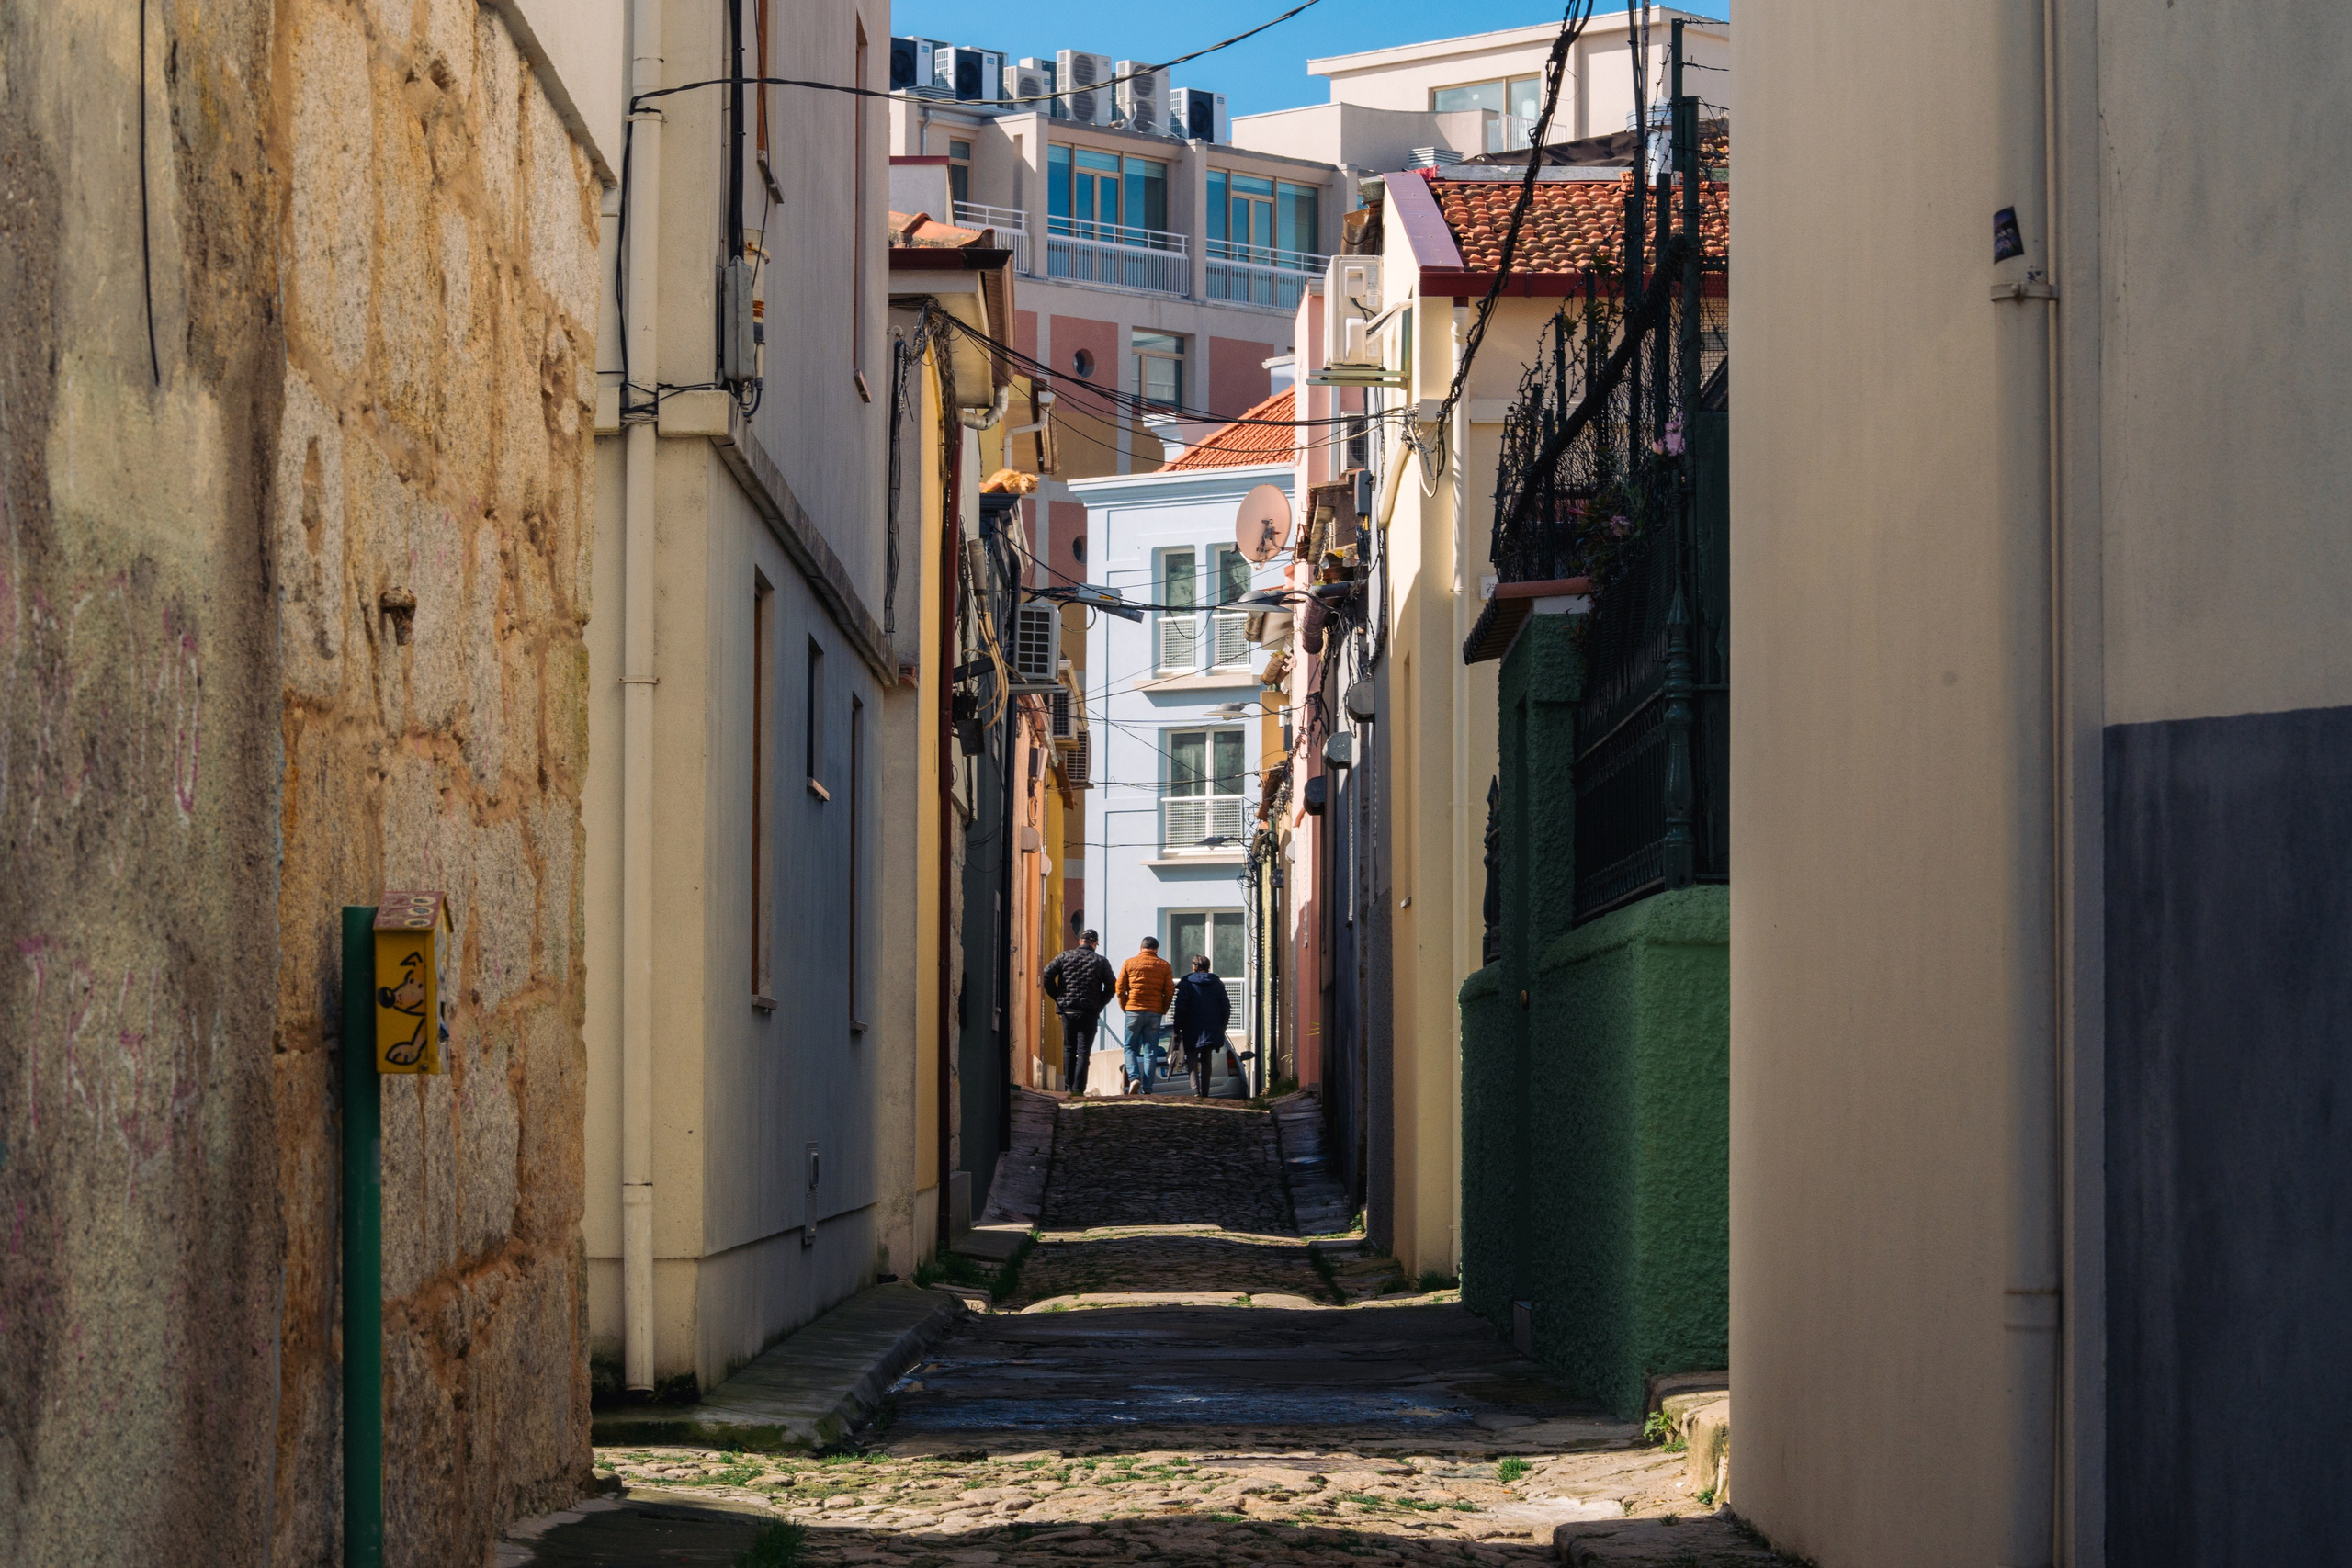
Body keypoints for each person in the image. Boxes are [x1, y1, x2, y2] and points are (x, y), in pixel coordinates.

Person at [1039, 929, 1115, 1096]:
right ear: (1094, 943)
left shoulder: (1064, 957)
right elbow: (1111, 987)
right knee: (1083, 1052)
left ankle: (1068, 1087)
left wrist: (1058, 996)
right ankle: (1078, 1089)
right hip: (1089, 1012)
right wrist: (1099, 1003)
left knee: (1068, 1049)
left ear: (1080, 941)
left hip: (1068, 1011)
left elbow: (1046, 974)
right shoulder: (1101, 961)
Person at [1114, 936, 1174, 1095]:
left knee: (1130, 1048)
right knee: (1150, 1050)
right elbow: (1169, 991)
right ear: (1156, 949)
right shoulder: (1164, 966)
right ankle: (1148, 1088)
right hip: (1154, 1012)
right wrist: (1163, 1009)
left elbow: (1119, 988)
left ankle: (1134, 1078)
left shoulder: (1129, 963)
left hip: (1133, 1010)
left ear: (1141, 948)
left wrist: (1125, 1007)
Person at [1170, 955, 1233, 1099]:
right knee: (1206, 1059)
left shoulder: (1187, 983)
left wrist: (1178, 1026)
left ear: (1194, 967)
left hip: (1191, 1027)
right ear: (1208, 967)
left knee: (1191, 1057)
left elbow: (1180, 1007)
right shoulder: (1217, 983)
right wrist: (1222, 1026)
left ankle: (1195, 1090)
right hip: (1211, 1027)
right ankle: (1205, 1091)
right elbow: (1226, 1007)